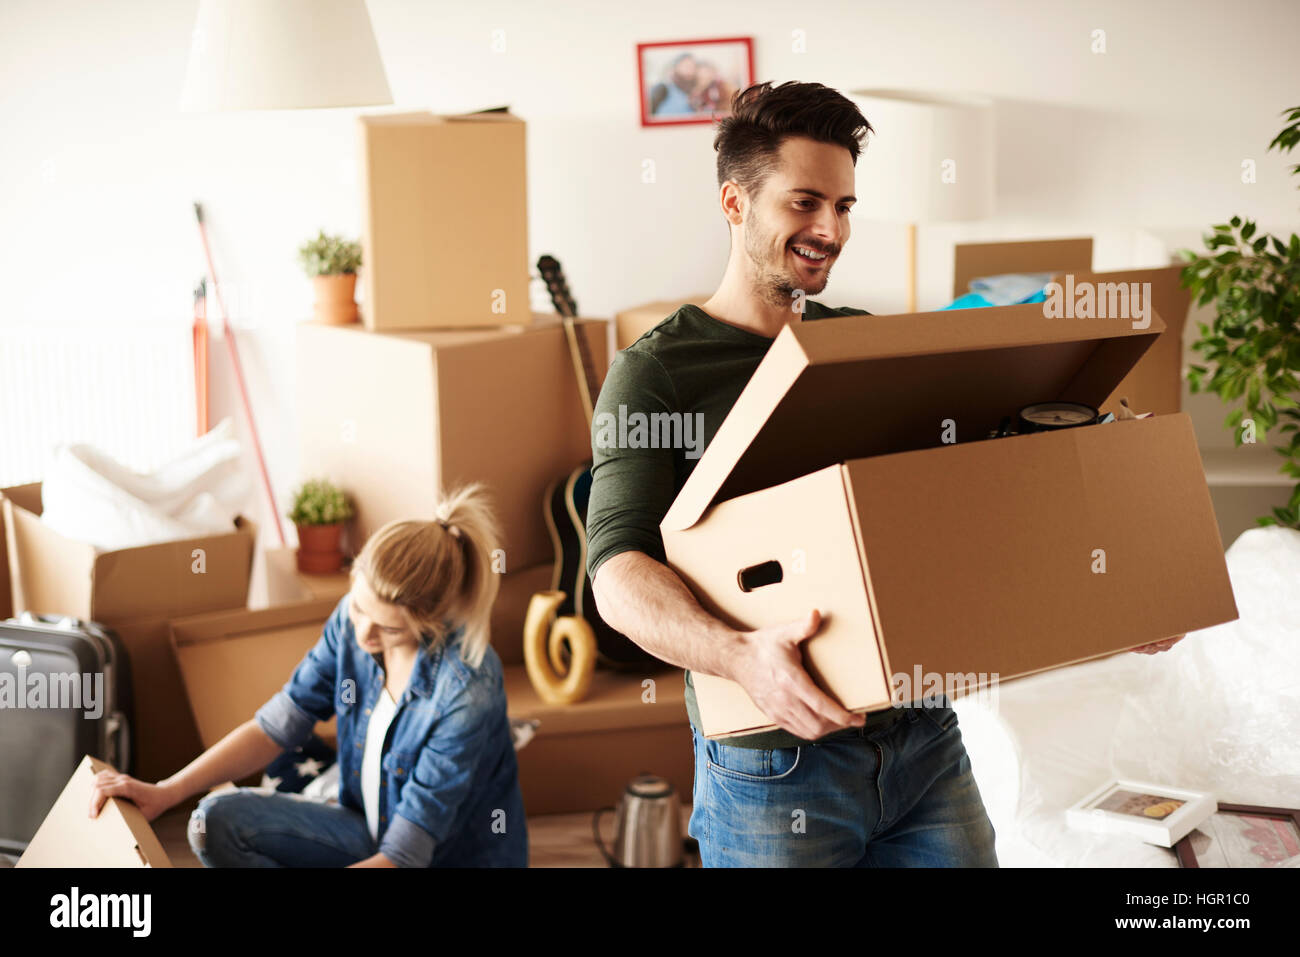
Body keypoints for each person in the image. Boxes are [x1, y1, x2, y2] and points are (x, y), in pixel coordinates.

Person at [586, 80, 1184, 867]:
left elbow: (975, 501)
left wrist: (1112, 595)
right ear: (734, 204)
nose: (829, 229)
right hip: (776, 760)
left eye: (844, 206)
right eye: (804, 203)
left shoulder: (858, 344)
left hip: (921, 735)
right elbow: (616, 571)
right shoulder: (657, 372)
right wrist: (739, 656)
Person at [88, 484, 528, 868]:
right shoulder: (352, 622)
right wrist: (165, 792)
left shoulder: (466, 690)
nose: (363, 633)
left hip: (438, 858)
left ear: (430, 623)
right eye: (358, 608)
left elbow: (404, 856)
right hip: (365, 826)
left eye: (387, 628)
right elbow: (278, 724)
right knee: (212, 822)